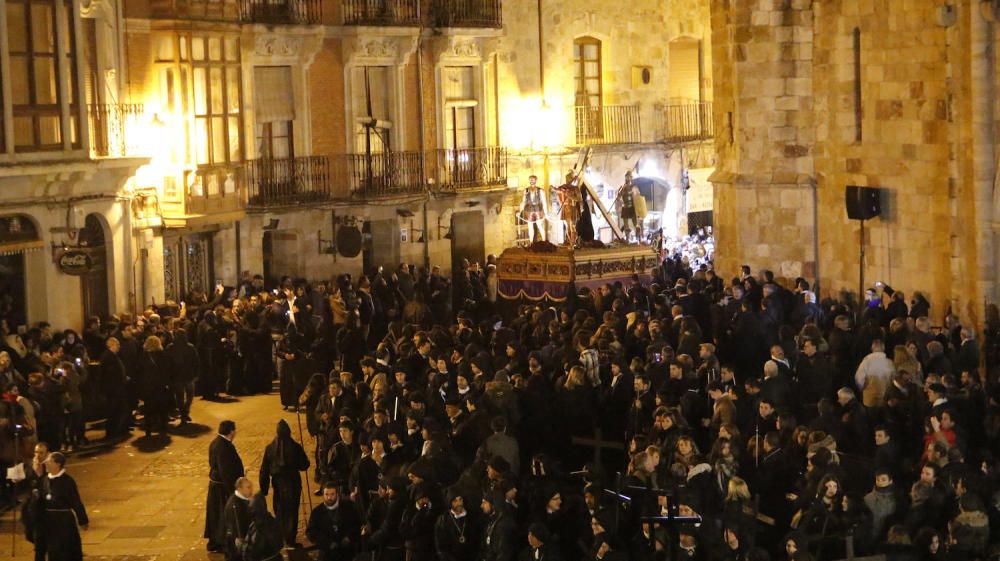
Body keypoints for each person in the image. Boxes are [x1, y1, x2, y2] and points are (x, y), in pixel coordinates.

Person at [259, 419, 309, 548]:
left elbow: (264, 470)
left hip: (278, 484)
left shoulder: (270, 448)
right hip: (293, 483)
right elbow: (304, 465)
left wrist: (264, 488)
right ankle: (290, 538)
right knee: (292, 511)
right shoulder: (295, 447)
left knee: (280, 510)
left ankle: (281, 535)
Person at [28, 452, 88, 561]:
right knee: (53, 550)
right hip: (49, 521)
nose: (46, 464)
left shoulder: (67, 481)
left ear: (58, 464)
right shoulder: (45, 480)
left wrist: (82, 519)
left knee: (65, 549)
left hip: (64, 520)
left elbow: (76, 501)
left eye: (49, 462)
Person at [206, 420, 245, 553]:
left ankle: (215, 541)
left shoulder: (216, 442)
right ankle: (220, 542)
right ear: (231, 431)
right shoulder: (223, 447)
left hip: (217, 485)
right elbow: (225, 471)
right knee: (222, 515)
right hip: (222, 487)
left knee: (216, 515)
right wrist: (233, 491)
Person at [307, 481, 362, 561]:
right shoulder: (317, 512)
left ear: (337, 494)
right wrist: (327, 543)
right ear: (323, 494)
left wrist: (349, 537)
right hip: (326, 553)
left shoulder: (348, 508)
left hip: (347, 552)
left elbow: (357, 525)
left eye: (332, 494)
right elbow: (311, 532)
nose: (329, 498)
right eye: (327, 494)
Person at [223, 477, 253, 561]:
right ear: (239, 489)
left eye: (250, 486)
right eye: (248, 487)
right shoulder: (236, 506)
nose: (251, 490)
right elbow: (238, 529)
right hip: (237, 550)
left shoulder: (241, 500)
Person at [520, 175, 548, 243]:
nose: (532, 181)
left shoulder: (540, 190)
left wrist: (546, 213)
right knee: (530, 227)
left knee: (540, 226)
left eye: (533, 179)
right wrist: (520, 210)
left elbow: (544, 202)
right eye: (530, 179)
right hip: (529, 210)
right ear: (529, 180)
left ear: (536, 180)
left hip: (538, 209)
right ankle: (531, 242)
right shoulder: (526, 190)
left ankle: (544, 241)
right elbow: (523, 201)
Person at [555, 172, 581, 245]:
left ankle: (573, 242)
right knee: (567, 226)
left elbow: (579, 199)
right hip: (565, 208)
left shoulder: (575, 188)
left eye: (569, 179)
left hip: (572, 208)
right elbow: (557, 190)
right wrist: (553, 188)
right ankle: (570, 241)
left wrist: (570, 196)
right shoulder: (563, 187)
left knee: (572, 226)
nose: (568, 181)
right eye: (567, 179)